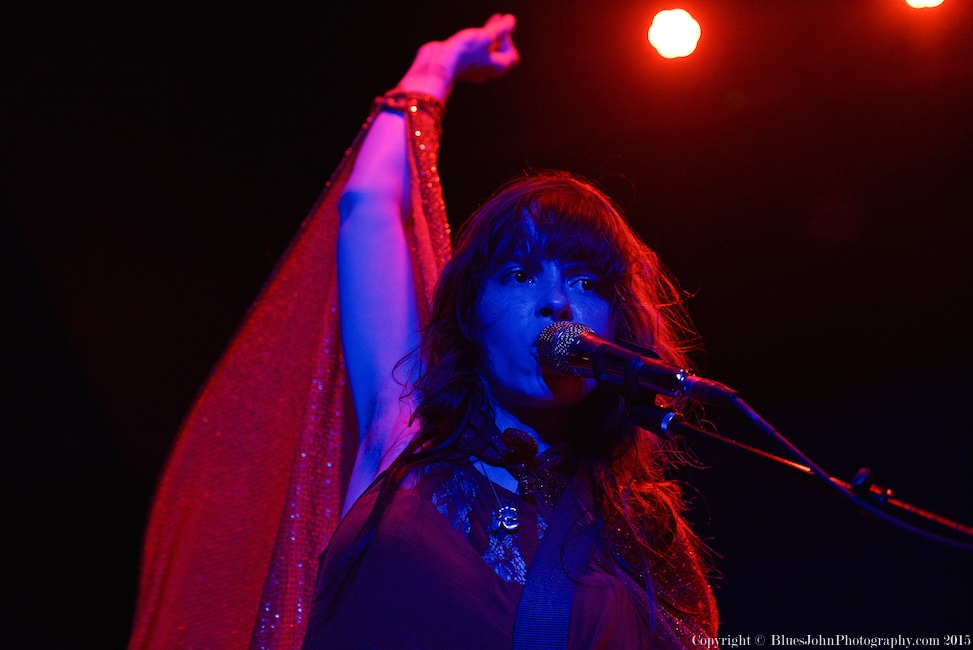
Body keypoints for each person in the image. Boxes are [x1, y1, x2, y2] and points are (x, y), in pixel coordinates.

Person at [129, 12, 718, 650]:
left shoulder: (642, 534)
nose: (556, 303)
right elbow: (370, 208)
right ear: (469, 313)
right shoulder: (402, 436)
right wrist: (435, 67)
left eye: (585, 282)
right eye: (520, 274)